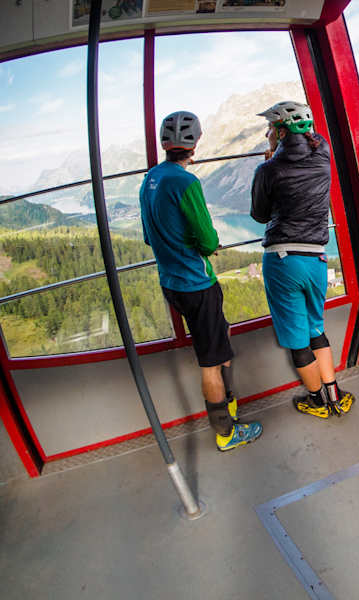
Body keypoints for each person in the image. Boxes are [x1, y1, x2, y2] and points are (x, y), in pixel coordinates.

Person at [140, 110, 262, 451]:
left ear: (165, 145)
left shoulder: (150, 178)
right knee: (210, 361)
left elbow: (150, 237)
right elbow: (208, 241)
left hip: (171, 282)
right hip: (197, 283)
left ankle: (230, 406)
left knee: (218, 344)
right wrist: (205, 246)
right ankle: (226, 432)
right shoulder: (186, 182)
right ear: (195, 145)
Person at [252, 100, 353, 419]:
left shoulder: (269, 170)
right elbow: (311, 138)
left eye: (271, 128)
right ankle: (336, 395)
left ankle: (317, 402)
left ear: (280, 131)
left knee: (298, 340)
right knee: (316, 329)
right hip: (317, 259)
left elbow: (260, 215)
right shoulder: (323, 153)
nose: (268, 133)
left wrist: (271, 157)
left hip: (283, 261)